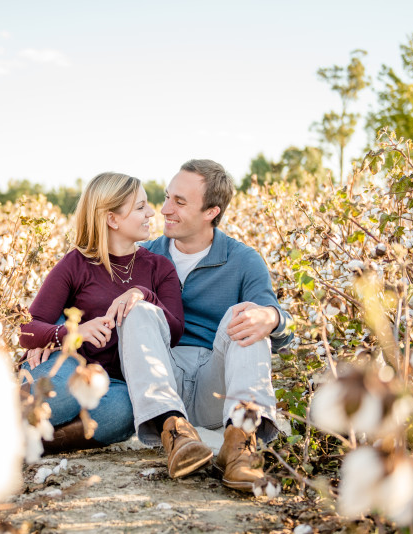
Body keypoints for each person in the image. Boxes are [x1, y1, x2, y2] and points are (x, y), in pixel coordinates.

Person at [119, 159, 293, 490]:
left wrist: (271, 317)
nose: (164, 209)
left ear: (211, 211)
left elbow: (285, 328)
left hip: (217, 386)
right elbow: (88, 304)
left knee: (248, 313)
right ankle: (175, 434)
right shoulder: (142, 257)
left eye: (179, 202)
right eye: (167, 196)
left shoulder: (243, 259)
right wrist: (50, 336)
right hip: (161, 381)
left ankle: (240, 444)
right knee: (137, 309)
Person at [19, 172, 184, 453]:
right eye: (141, 207)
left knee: (124, 414)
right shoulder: (76, 264)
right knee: (63, 395)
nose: (151, 212)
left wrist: (144, 294)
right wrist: (70, 333)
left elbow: (175, 330)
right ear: (112, 219)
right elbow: (27, 329)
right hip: (66, 365)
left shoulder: (159, 268)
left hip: (114, 382)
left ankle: (29, 443)